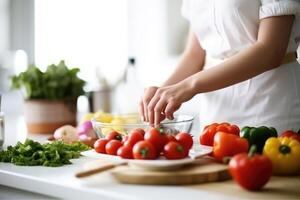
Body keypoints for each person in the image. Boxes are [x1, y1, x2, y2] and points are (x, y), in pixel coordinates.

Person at [139, 0, 300, 133]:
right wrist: (162, 93)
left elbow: (270, 50)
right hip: (215, 111)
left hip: (270, 104)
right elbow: (194, 55)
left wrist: (189, 85)